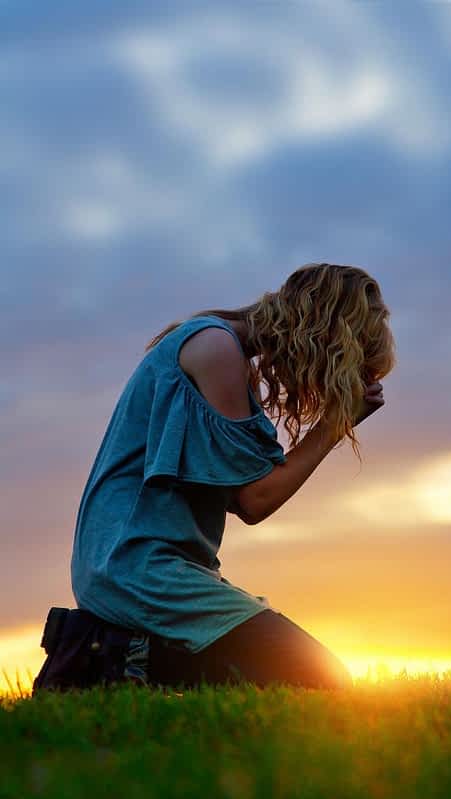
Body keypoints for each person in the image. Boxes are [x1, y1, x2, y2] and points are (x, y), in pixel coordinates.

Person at [32, 262, 396, 694]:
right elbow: (254, 500)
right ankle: (101, 659)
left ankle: (115, 657)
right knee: (321, 681)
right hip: (139, 569)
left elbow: (240, 496)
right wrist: (336, 422)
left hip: (130, 567)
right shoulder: (216, 349)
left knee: (285, 679)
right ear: (324, 334)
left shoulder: (213, 339)